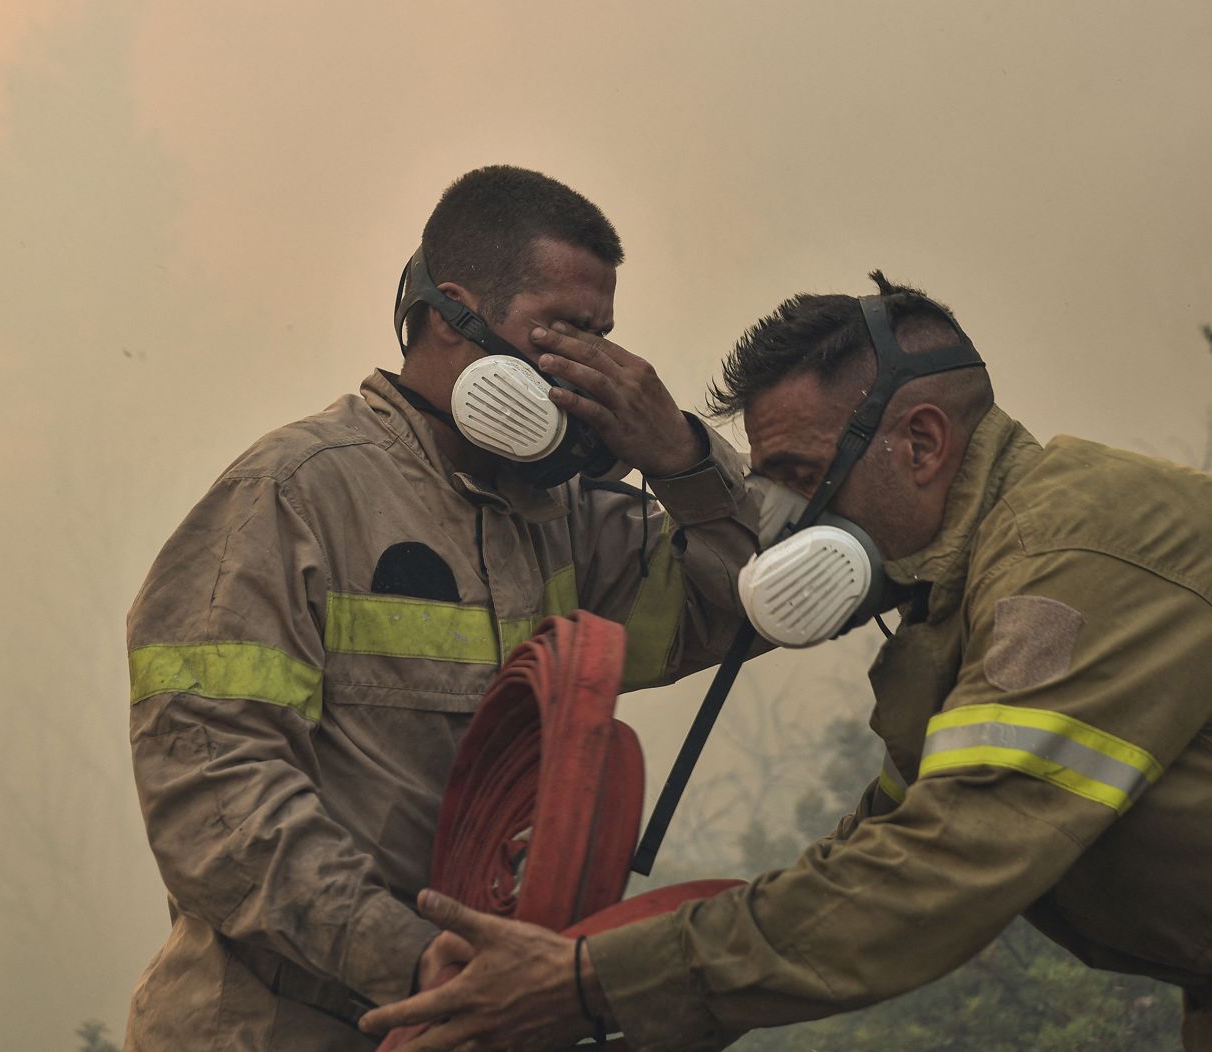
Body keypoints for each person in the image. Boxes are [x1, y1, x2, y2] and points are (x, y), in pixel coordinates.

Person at [360, 273, 1212, 1052]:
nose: (782, 528)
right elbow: (882, 851)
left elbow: (945, 867)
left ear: (922, 442)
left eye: (793, 481)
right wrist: (613, 979)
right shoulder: (962, 611)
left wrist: (585, 985)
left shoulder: (1079, 551)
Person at [124, 166, 761, 1050]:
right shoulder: (295, 494)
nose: (591, 371)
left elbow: (744, 602)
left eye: (603, 340)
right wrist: (420, 961)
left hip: (481, 1024)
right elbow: (209, 788)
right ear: (450, 314)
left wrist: (683, 457)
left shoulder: (571, 520)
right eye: (562, 334)